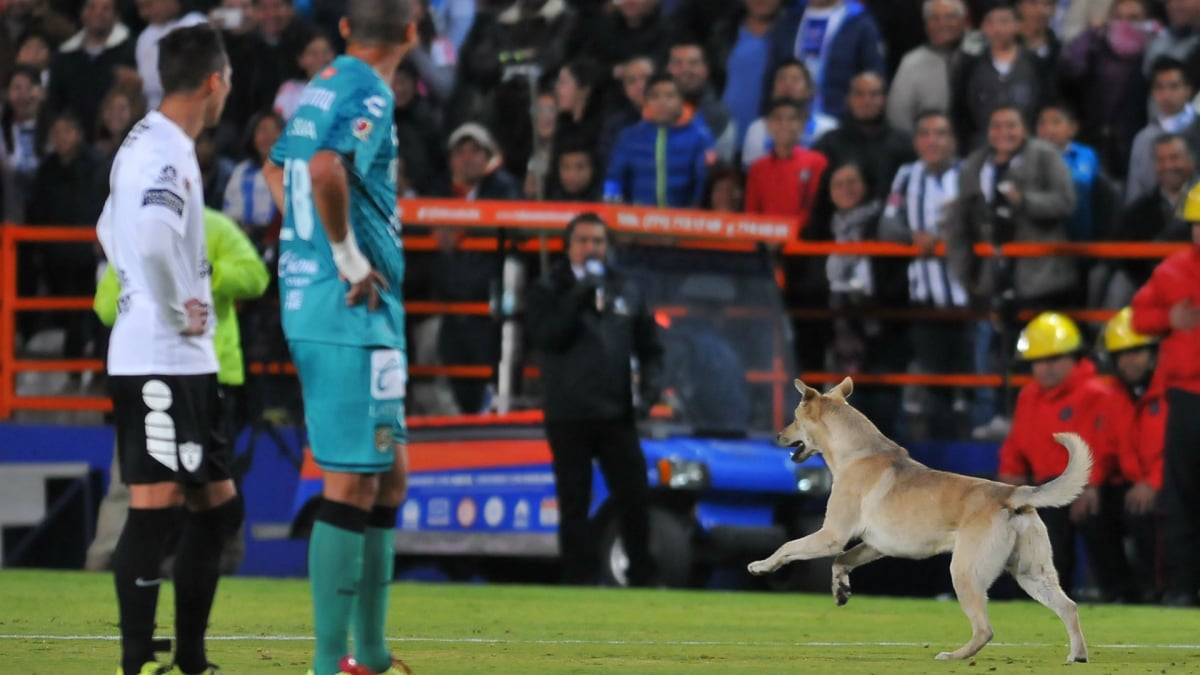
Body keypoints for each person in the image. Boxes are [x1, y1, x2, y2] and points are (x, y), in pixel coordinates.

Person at [261, 0, 417, 672]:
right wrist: (346, 258)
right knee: (353, 481)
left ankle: (372, 655)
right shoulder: (367, 89)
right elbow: (324, 169)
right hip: (346, 311)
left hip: (346, 310)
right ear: (411, 33)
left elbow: (278, 169)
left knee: (388, 478)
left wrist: (305, 247)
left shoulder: (318, 85)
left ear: (348, 29)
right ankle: (332, 664)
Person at [94, 23, 241, 675]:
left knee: (218, 507)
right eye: (229, 77)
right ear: (214, 82)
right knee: (154, 512)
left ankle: (189, 658)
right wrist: (176, 300)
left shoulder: (148, 142)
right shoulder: (165, 152)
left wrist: (143, 287)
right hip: (160, 356)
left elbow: (107, 224)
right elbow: (152, 240)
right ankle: (138, 662)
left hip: (180, 361)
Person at [86, 207, 270, 575]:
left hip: (201, 371)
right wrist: (155, 295)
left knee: (199, 477)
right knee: (167, 476)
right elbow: (105, 306)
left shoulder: (214, 227)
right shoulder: (139, 233)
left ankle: (216, 560)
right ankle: (109, 558)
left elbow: (255, 277)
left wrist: (202, 277)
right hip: (158, 368)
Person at [525, 212, 663, 587]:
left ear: (608, 247)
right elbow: (548, 337)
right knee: (574, 499)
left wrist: (649, 392)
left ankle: (642, 575)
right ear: (568, 246)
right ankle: (579, 578)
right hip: (568, 413)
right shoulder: (547, 289)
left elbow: (651, 347)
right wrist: (580, 291)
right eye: (584, 240)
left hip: (617, 412)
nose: (592, 248)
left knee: (634, 495)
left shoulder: (626, 289)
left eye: (598, 241)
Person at [996, 312, 1125, 599]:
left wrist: (1090, 485)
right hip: (1047, 488)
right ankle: (1047, 597)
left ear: (1074, 358)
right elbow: (1016, 443)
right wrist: (1008, 479)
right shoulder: (1029, 396)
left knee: (1097, 528)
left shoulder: (1096, 393)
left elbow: (1104, 445)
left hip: (1088, 486)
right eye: (1040, 360)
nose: (1046, 367)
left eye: (1055, 359)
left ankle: (1118, 592)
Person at [1131, 180, 1200, 606]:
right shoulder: (1172, 270)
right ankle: (1180, 589)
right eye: (1195, 224)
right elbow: (1139, 316)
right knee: (1180, 497)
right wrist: (1168, 316)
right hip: (1186, 399)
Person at [1100, 306, 1166, 603]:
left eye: (1137, 351)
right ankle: (1120, 591)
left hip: (1172, 484)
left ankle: (1162, 589)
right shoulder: (1114, 397)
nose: (1129, 360)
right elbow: (1103, 447)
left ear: (1154, 353)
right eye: (1123, 353)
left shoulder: (1176, 392)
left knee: (1144, 512)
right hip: (1135, 483)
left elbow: (1185, 449)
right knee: (1093, 507)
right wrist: (1090, 485)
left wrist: (1153, 483)